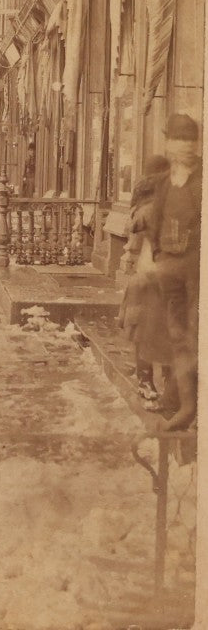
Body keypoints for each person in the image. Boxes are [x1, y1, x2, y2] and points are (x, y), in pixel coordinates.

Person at [150, 113, 202, 431]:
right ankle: (183, 404)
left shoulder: (202, 179)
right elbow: (155, 221)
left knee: (194, 334)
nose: (182, 147)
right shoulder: (164, 181)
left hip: (196, 269)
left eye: (187, 141)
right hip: (169, 268)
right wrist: (158, 257)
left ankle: (189, 406)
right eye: (176, 141)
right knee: (177, 336)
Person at [118, 155, 175, 409]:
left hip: (147, 275)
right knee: (161, 330)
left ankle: (148, 381)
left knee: (148, 331)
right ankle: (156, 382)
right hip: (154, 276)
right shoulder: (155, 207)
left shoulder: (143, 204)